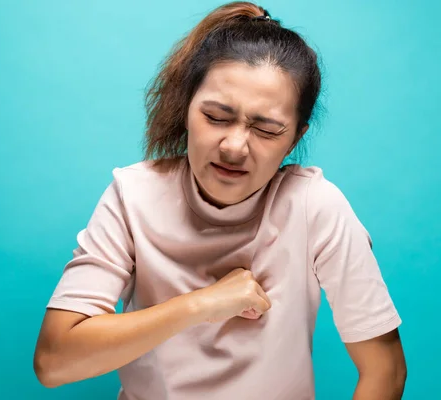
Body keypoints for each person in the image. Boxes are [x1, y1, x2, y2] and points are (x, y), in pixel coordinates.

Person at [33, 2, 407, 399]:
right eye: (215, 117)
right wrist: (200, 305)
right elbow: (55, 361)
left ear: (294, 139)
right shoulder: (133, 195)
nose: (234, 147)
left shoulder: (315, 206)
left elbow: (385, 370)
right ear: (186, 107)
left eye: (266, 129)